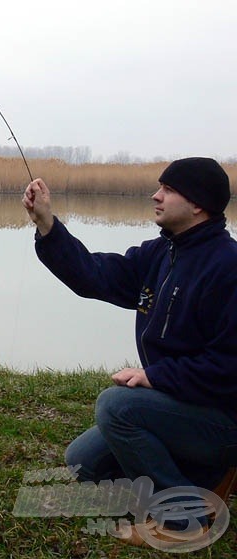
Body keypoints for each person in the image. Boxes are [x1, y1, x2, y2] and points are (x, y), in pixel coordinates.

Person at [22, 157, 237, 546]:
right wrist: (47, 225)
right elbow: (94, 275)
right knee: (82, 463)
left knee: (116, 406)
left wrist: (154, 377)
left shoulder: (228, 267)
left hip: (223, 419)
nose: (156, 195)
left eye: (169, 190)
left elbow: (231, 366)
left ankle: (187, 518)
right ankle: (200, 478)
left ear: (198, 204)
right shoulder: (161, 255)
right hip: (178, 403)